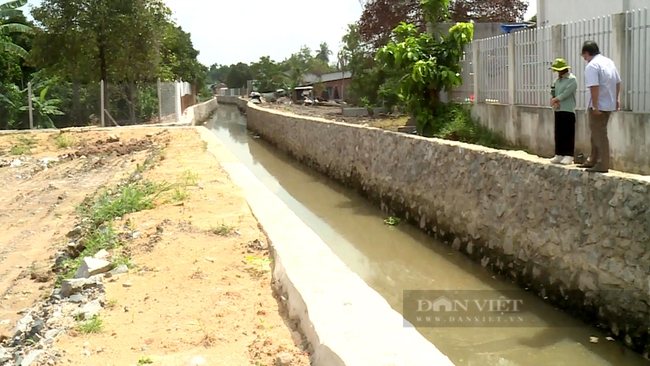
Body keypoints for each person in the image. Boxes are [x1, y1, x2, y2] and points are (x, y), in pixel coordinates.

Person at [579, 40, 621, 173]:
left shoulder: (592, 66)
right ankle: (593, 159)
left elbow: (594, 87)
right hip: (608, 103)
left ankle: (602, 164)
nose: (584, 58)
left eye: (583, 55)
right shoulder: (609, 62)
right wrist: (616, 99)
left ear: (587, 53)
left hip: (599, 104)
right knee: (595, 133)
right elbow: (617, 82)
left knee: (599, 134)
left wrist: (595, 106)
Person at [549, 58, 578, 165]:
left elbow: (567, 93)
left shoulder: (572, 79)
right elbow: (552, 91)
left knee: (568, 133)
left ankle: (568, 155)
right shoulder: (557, 81)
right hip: (558, 109)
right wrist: (554, 100)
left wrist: (557, 99)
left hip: (568, 109)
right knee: (559, 132)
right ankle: (559, 153)